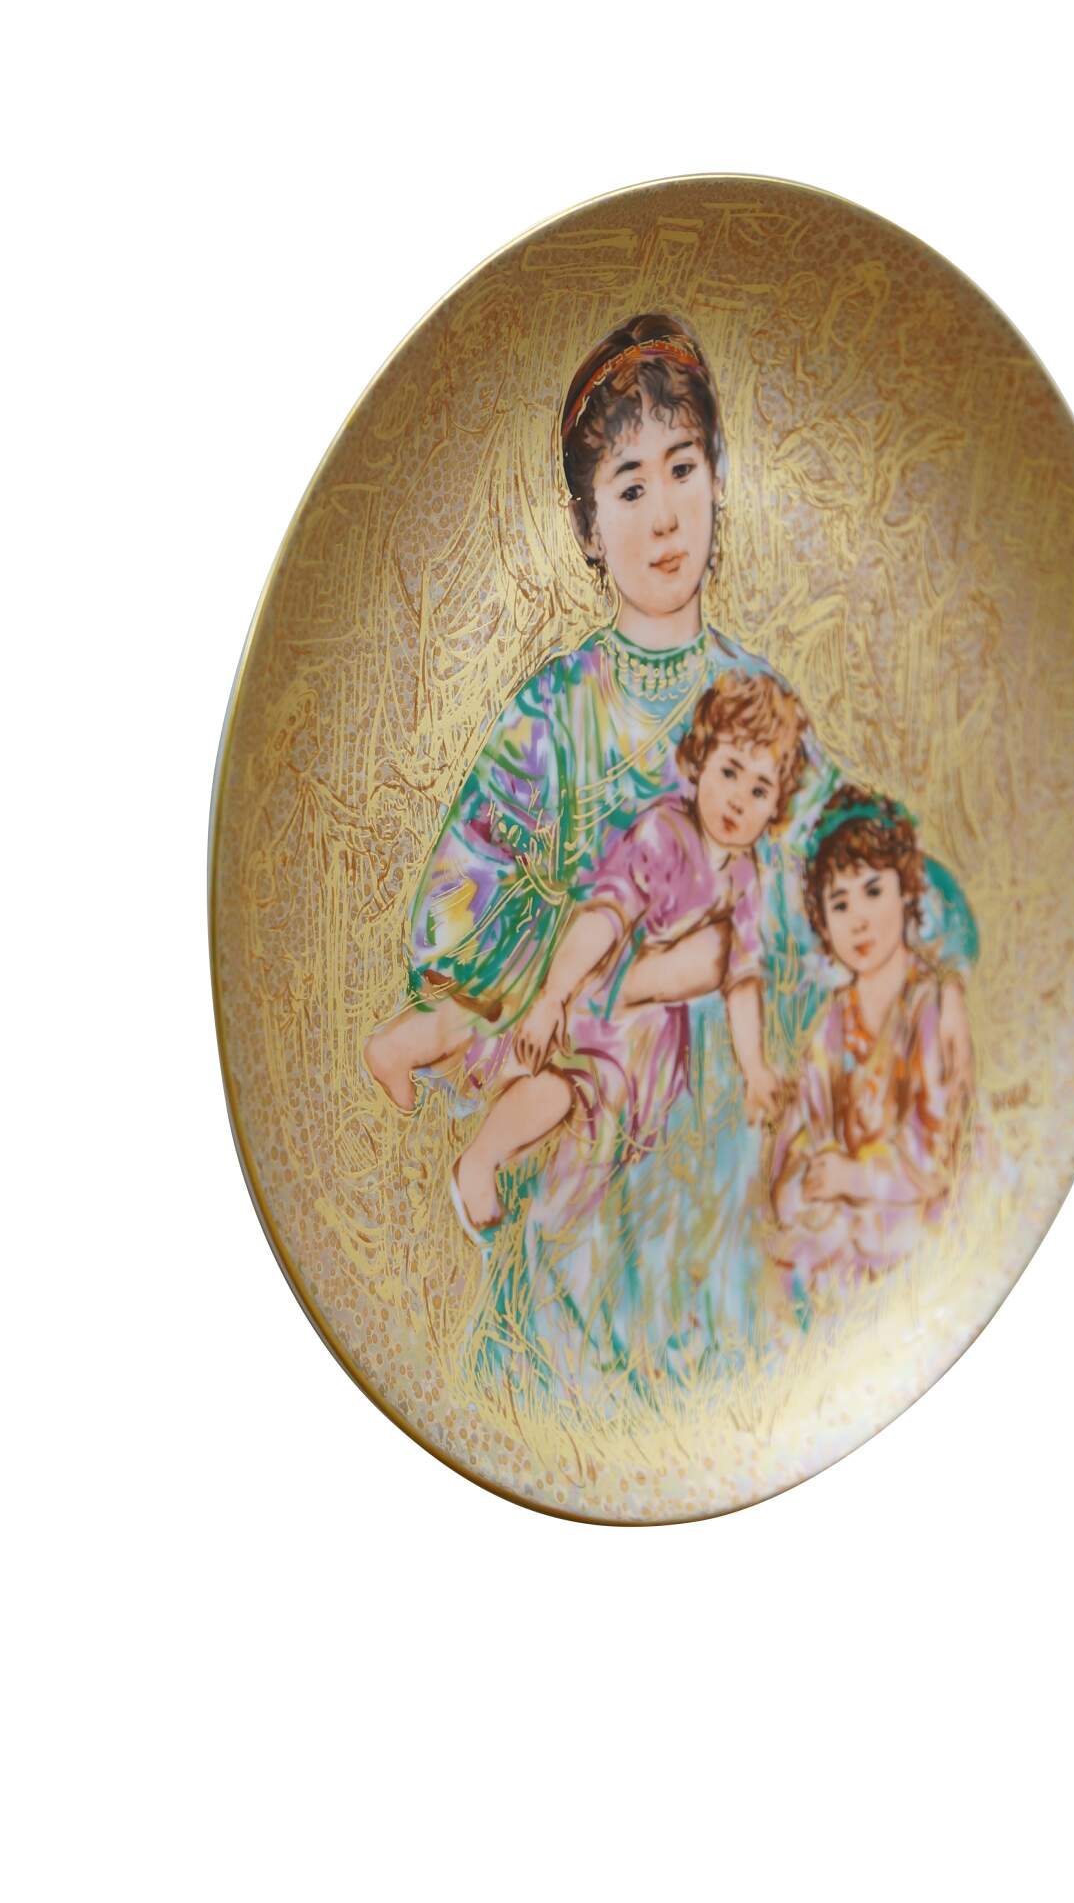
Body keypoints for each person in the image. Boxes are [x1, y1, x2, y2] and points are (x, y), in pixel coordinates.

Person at [362, 312, 979, 1388]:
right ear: (587, 524)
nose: (662, 517)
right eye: (630, 485)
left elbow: (831, 861)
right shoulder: (559, 708)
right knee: (581, 1363)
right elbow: (465, 891)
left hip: (723, 1130)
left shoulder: (758, 704)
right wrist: (613, 970)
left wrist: (891, 919)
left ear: (719, 480)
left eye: (683, 470)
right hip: (598, 1111)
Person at [449, 669, 808, 1236]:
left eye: (760, 790)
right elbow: (604, 919)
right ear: (700, 761)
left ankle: (556, 1224)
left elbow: (742, 980)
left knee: (601, 1126)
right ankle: (479, 1161)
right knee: (562, 1089)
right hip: (601, 1001)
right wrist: (554, 995)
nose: (739, 798)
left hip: (649, 1038)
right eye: (729, 771)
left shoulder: (746, 879)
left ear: (776, 809)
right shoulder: (665, 833)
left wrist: (756, 1067)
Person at [770, 787, 972, 1290]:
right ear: (823, 922)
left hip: (916, 1224)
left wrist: (852, 1178)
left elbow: (936, 1161)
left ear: (906, 891)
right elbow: (801, 1138)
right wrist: (807, 1182)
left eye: (873, 891)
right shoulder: (832, 1025)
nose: (858, 919)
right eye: (839, 904)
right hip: (848, 1234)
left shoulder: (930, 1007)